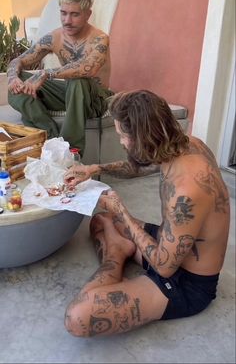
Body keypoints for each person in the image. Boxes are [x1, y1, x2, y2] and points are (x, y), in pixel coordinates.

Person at [63, 89, 230, 337]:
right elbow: (139, 166)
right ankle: (120, 250)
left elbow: (164, 267)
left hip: (186, 281)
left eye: (122, 136)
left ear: (141, 138)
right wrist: (93, 168)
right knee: (102, 220)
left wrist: (124, 212)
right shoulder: (186, 145)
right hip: (167, 245)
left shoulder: (188, 189)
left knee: (78, 317)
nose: (120, 142)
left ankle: (116, 255)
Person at [7, 0, 113, 156]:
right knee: (18, 83)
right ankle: (52, 140)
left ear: (87, 14)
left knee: (79, 80)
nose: (67, 20)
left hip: (96, 100)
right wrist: (13, 78)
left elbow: (88, 68)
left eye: (74, 14)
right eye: (63, 13)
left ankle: (71, 153)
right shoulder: (54, 37)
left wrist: (44, 74)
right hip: (69, 94)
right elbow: (17, 61)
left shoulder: (99, 39)